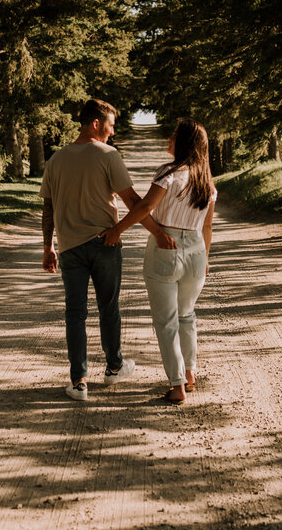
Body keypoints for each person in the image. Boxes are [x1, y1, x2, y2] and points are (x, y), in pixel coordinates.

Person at [41, 99, 175, 402]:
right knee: (108, 308)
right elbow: (132, 200)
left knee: (75, 313)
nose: (113, 132)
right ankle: (114, 368)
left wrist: (48, 247)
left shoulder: (55, 160)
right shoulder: (108, 155)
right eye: (111, 125)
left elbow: (48, 208)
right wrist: (157, 232)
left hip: (70, 248)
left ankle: (78, 383)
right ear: (96, 123)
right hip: (105, 244)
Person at [100, 119, 216, 405]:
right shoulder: (207, 183)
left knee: (166, 322)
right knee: (187, 315)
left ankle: (177, 386)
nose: (170, 138)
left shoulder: (170, 173)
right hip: (197, 252)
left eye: (174, 135)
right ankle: (190, 373)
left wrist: (117, 230)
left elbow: (144, 207)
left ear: (184, 143)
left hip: (167, 248)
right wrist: (206, 258)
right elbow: (208, 228)